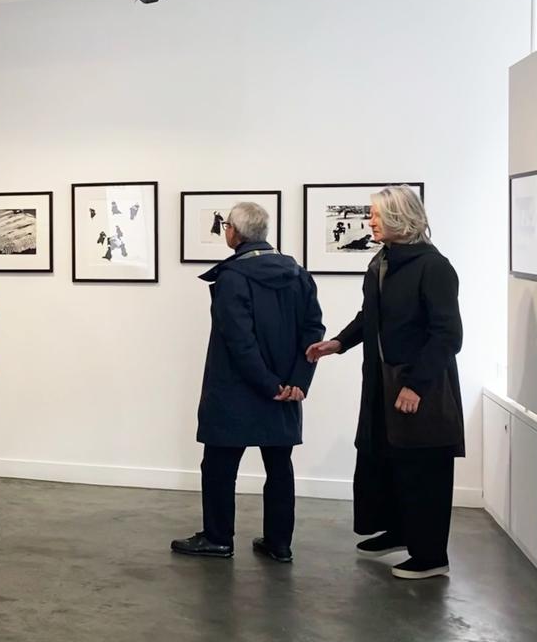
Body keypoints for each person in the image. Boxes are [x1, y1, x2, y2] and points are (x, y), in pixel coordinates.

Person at [307, 186, 463, 580]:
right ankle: (400, 532)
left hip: (420, 386)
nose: (370, 222)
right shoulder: (382, 262)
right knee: (386, 458)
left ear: (399, 218)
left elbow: (447, 335)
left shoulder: (434, 267)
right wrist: (338, 343)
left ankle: (430, 557)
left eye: (376, 215)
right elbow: (369, 316)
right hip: (381, 380)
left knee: (423, 468)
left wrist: (415, 385)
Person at [171, 202, 324, 562]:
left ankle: (218, 538)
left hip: (237, 390)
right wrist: (295, 383)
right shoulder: (298, 274)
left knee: (220, 466)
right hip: (285, 389)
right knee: (279, 466)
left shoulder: (232, 278)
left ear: (234, 233)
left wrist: (270, 385)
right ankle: (279, 543)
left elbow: (239, 341)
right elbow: (314, 330)